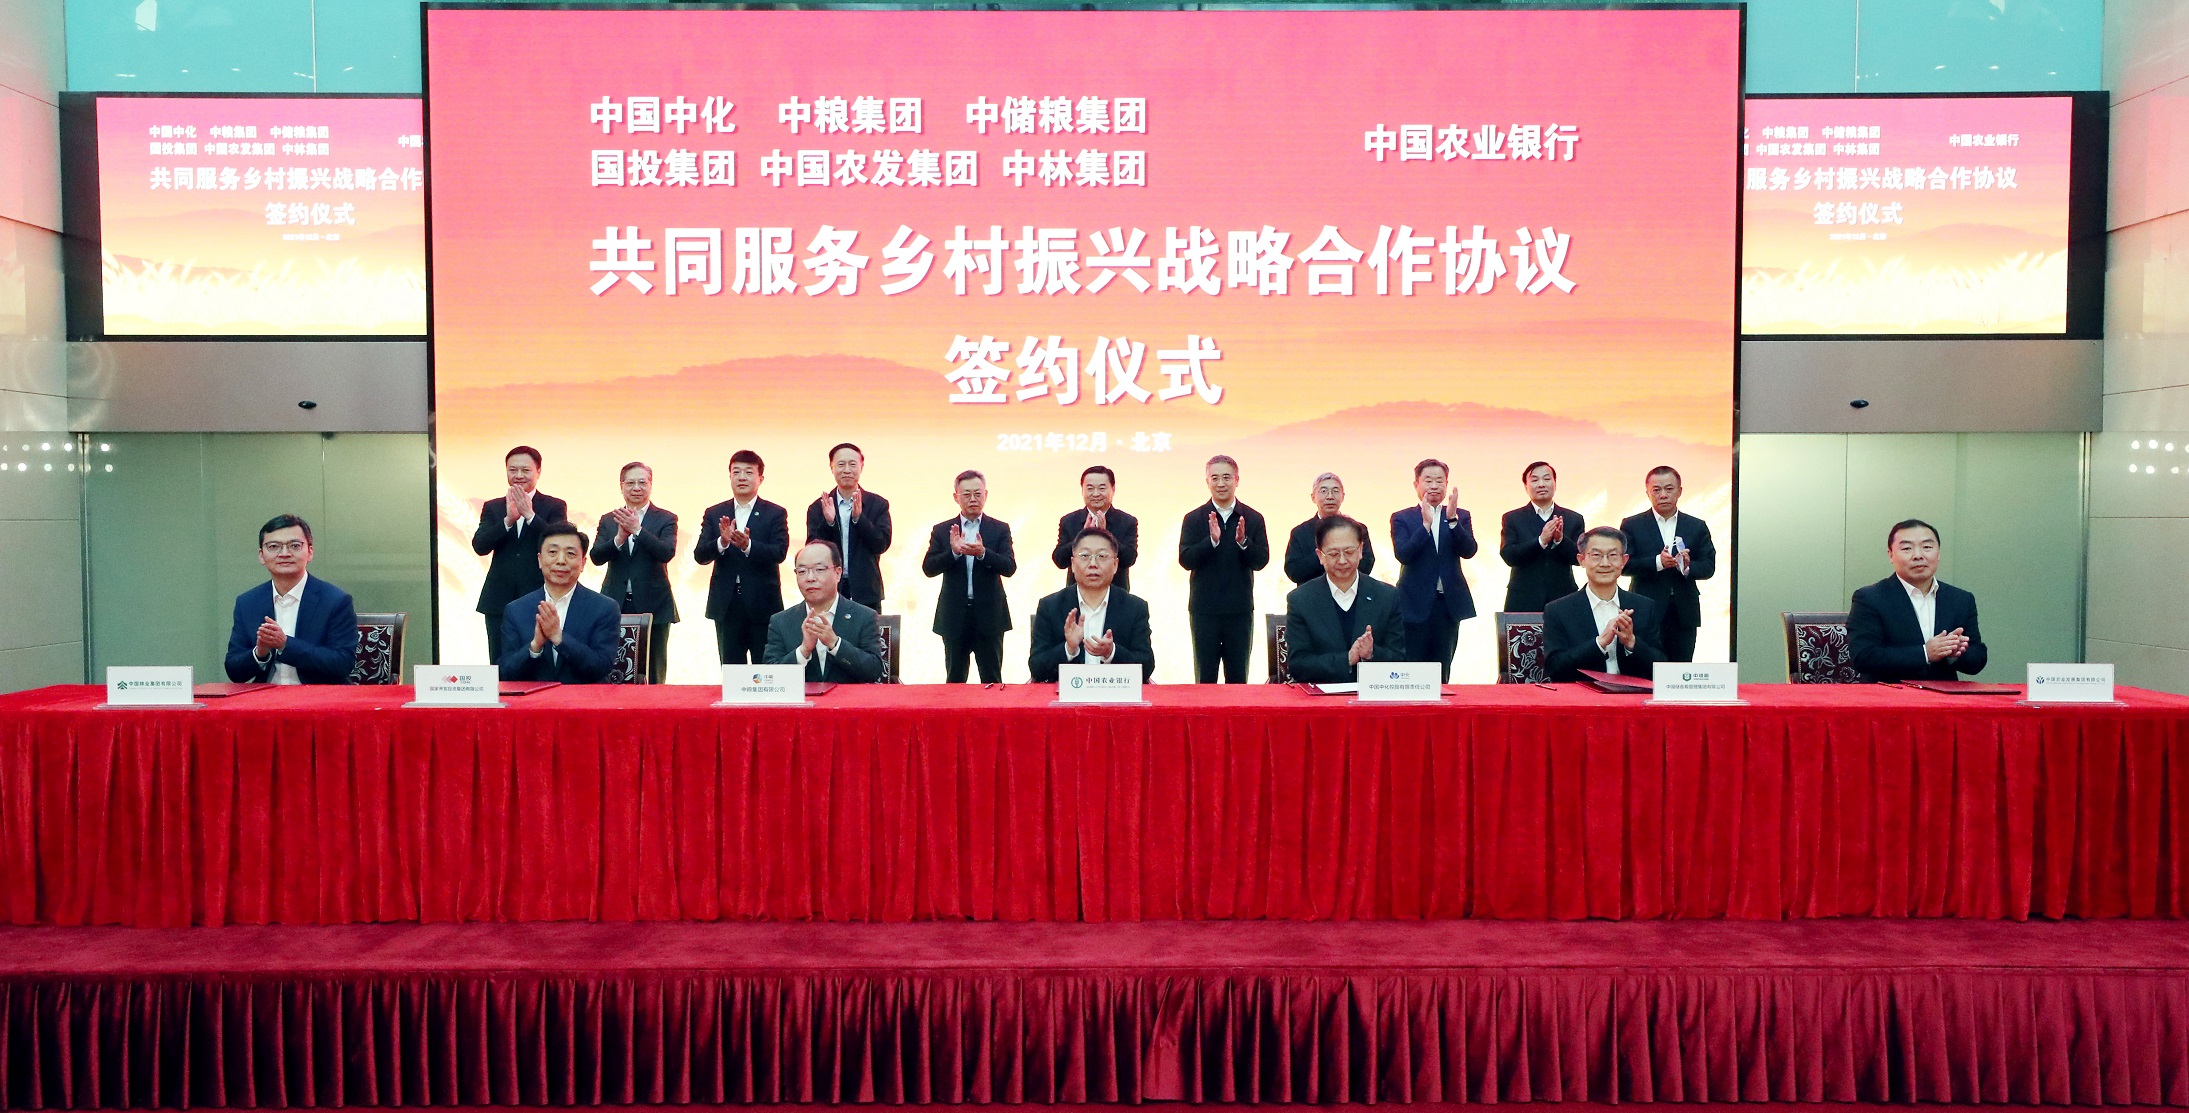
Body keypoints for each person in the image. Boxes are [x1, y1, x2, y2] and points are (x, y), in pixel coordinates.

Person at [223, 513, 359, 684]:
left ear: (310, 552)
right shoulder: (247, 603)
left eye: (294, 546)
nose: (284, 553)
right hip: (266, 698)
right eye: (274, 546)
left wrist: (286, 645)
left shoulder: (335, 600)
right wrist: (260, 653)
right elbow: (234, 671)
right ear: (261, 556)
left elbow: (343, 663)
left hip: (318, 697)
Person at [1848, 519, 1988, 681]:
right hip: (1890, 694)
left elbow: (1978, 658)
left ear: (1938, 553)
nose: (1918, 555)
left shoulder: (1961, 599)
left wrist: (1955, 654)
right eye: (1907, 548)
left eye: (1927, 547)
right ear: (1891, 555)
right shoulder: (1869, 598)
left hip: (1944, 695)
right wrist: (1925, 653)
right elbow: (1863, 657)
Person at [471, 445, 568, 663]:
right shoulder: (493, 507)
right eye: (513, 470)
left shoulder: (554, 505)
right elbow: (480, 546)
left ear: (538, 472)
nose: (518, 475)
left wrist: (530, 516)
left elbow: (559, 541)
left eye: (525, 470)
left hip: (539, 596)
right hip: (499, 598)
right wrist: (507, 521)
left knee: (539, 658)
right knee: (499, 659)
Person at [1178, 455, 1270, 683]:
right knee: (1205, 678)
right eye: (1215, 478)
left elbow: (1261, 561)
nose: (1221, 483)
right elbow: (1185, 560)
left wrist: (1243, 542)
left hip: (1239, 611)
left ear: (1237, 480)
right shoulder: (1194, 518)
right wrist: (1211, 541)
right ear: (1207, 482)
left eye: (1226, 477)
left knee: (1238, 679)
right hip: (1204, 611)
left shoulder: (1253, 518)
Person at [1282, 516, 1406, 683]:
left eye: (1349, 552)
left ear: (1361, 550)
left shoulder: (1387, 596)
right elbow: (1298, 665)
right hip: (1322, 695)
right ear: (1320, 556)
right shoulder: (1301, 600)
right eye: (1333, 554)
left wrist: (1372, 653)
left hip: (1373, 694)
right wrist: (1347, 659)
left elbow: (1399, 659)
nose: (1342, 560)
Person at [695, 449, 791, 665]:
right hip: (726, 605)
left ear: (760, 478)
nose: (742, 477)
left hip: (763, 604)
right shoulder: (714, 513)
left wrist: (748, 546)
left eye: (748, 472)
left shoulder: (775, 513)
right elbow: (700, 556)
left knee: (765, 669)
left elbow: (779, 552)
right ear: (729, 476)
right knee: (731, 670)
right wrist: (722, 542)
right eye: (736, 472)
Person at [921, 469, 1017, 683]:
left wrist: (983, 553)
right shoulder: (942, 530)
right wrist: (954, 552)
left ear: (986, 495)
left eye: (977, 493)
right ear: (956, 497)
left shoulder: (1000, 529)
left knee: (992, 680)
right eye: (966, 494)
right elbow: (929, 568)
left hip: (990, 616)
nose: (973, 498)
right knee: (955, 680)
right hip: (954, 616)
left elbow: (1010, 567)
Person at [498, 521, 622, 683]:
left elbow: (601, 668)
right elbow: (505, 672)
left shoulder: (605, 608)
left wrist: (558, 637)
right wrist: (535, 647)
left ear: (582, 563)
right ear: (540, 560)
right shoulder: (516, 610)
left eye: (570, 554)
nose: (561, 560)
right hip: (535, 698)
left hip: (584, 698)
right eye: (553, 552)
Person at [1389, 458, 1478, 681]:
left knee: (1441, 669)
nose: (1434, 486)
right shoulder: (1402, 517)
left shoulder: (1460, 515)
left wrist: (1453, 521)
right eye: (1428, 480)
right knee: (1411, 669)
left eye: (1440, 481)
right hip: (1413, 603)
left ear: (1447, 484)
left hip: (1447, 605)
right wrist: (1426, 526)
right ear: (1416, 485)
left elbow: (1469, 551)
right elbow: (1404, 554)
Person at [1030, 526, 1155, 682]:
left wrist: (1112, 652)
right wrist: (1069, 648)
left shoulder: (1135, 607)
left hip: (1115, 693)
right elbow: (1036, 667)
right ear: (1073, 564)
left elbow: (1146, 666)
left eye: (1102, 556)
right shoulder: (1050, 606)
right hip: (1065, 695)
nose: (1093, 564)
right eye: (1085, 556)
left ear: (1115, 565)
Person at [1619, 465, 1717, 663]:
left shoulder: (1696, 526)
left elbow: (1708, 566)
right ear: (1647, 493)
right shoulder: (1632, 525)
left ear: (1679, 491)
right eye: (1656, 490)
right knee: (1644, 666)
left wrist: (1687, 567)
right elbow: (1624, 565)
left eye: (1669, 489)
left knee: (1680, 668)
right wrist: (1658, 562)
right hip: (1645, 607)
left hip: (1684, 611)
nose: (1663, 495)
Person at [590, 461, 677, 683]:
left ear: (650, 485)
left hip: (654, 603)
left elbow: (666, 552)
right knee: (614, 668)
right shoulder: (609, 519)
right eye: (630, 483)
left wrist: (637, 530)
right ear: (621, 486)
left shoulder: (666, 518)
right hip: (615, 602)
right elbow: (596, 557)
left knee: (654, 670)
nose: (636, 488)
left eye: (642, 482)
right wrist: (619, 538)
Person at [1542, 527, 1666, 683]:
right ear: (1581, 560)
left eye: (1613, 555)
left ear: (1624, 561)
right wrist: (1599, 644)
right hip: (1582, 695)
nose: (1605, 563)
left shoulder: (1643, 606)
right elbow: (1555, 668)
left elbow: (1660, 667)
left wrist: (1631, 643)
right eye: (1596, 555)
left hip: (1631, 695)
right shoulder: (1558, 610)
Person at [762, 540, 887, 683]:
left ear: (838, 573)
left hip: (847, 698)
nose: (810, 578)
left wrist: (835, 643)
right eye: (802, 571)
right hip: (803, 698)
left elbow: (873, 671)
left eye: (819, 569)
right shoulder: (780, 622)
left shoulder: (864, 616)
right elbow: (770, 676)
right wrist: (804, 650)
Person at [804, 443, 893, 611]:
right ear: (831, 468)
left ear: (861, 467)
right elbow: (812, 550)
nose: (847, 470)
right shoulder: (817, 508)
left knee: (866, 629)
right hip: (828, 589)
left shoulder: (877, 504)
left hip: (866, 591)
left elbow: (881, 544)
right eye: (841, 464)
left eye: (852, 464)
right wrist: (829, 523)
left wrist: (859, 519)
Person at [1499, 460, 1585, 613]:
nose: (1541, 484)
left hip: (1563, 596)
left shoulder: (1573, 518)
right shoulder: (1512, 518)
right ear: (1526, 487)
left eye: (1546, 479)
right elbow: (1509, 556)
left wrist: (1560, 540)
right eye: (1534, 480)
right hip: (1523, 598)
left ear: (1555, 484)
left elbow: (1580, 558)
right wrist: (1540, 541)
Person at [1051, 465, 1140, 593]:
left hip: (1116, 595)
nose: (1096, 494)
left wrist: (1106, 535)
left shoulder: (1127, 521)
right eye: (1090, 488)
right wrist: (1082, 536)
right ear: (1082, 491)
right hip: (1077, 596)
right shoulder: (1069, 521)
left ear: (1113, 489)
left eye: (1102, 488)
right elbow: (1059, 560)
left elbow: (1129, 559)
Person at [1283, 472, 1376, 585]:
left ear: (1343, 496)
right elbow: (1293, 571)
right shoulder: (1300, 533)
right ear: (1313, 497)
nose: (1330, 496)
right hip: (1313, 593)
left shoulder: (1358, 529)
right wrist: (1325, 555)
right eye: (1323, 491)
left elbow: (1367, 563)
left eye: (1335, 491)